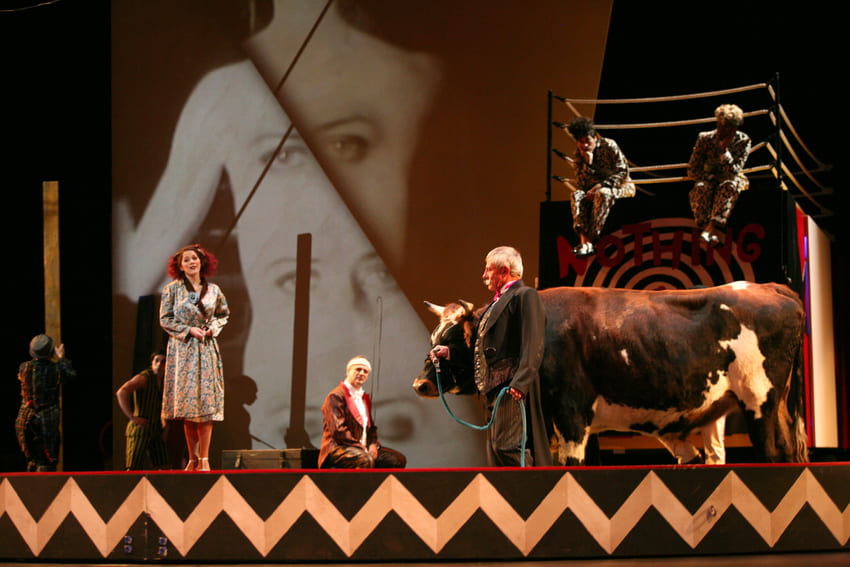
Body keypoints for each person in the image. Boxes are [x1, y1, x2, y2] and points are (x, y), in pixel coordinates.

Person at [432, 246, 552, 467]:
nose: (484, 275)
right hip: (491, 388)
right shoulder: (495, 304)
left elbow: (534, 343)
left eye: (488, 270)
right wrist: (450, 353)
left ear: (504, 271)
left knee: (505, 447)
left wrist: (520, 383)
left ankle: (533, 488)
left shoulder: (525, 296)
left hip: (510, 387)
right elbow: (481, 347)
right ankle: (507, 498)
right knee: (494, 454)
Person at [160, 243, 230, 471]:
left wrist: (212, 329)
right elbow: (165, 319)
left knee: (206, 404)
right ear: (180, 266)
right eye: (186, 260)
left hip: (206, 348)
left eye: (194, 258)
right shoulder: (172, 290)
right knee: (189, 407)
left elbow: (223, 314)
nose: (191, 262)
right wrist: (188, 330)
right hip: (183, 350)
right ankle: (192, 458)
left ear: (202, 261)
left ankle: (205, 459)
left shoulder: (214, 290)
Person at [318, 355, 406, 469]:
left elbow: (371, 428)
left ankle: (381, 487)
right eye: (358, 369)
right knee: (365, 460)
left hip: (361, 447)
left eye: (365, 371)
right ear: (348, 372)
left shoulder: (364, 398)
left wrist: (373, 445)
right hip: (338, 448)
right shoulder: (335, 396)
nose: (362, 373)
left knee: (396, 460)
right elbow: (338, 431)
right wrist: (360, 447)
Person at [566, 116, 635, 258]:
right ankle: (584, 243)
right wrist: (588, 164)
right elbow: (581, 183)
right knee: (576, 195)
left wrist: (600, 185)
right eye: (581, 142)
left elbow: (623, 171)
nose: (585, 145)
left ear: (595, 138)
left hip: (620, 186)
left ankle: (591, 239)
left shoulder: (609, 145)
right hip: (591, 190)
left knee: (603, 193)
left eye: (588, 141)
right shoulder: (579, 155)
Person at [687, 103, 752, 245]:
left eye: (730, 127)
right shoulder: (705, 138)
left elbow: (735, 171)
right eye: (723, 126)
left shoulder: (743, 140)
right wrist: (708, 176)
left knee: (728, 186)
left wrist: (724, 152)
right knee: (701, 188)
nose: (725, 130)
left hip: (731, 179)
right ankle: (709, 231)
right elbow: (692, 168)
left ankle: (710, 229)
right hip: (708, 178)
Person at [15, 334, 75, 471]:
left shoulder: (24, 367)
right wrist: (61, 358)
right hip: (46, 417)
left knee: (31, 458)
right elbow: (69, 375)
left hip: (25, 416)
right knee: (48, 459)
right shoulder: (55, 368)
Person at [116, 350, 170, 470]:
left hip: (156, 428)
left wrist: (166, 425)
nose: (159, 365)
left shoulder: (166, 382)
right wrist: (132, 417)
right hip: (141, 426)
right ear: (152, 363)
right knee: (133, 466)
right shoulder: (144, 378)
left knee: (163, 465)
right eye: (156, 361)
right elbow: (122, 392)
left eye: (163, 362)